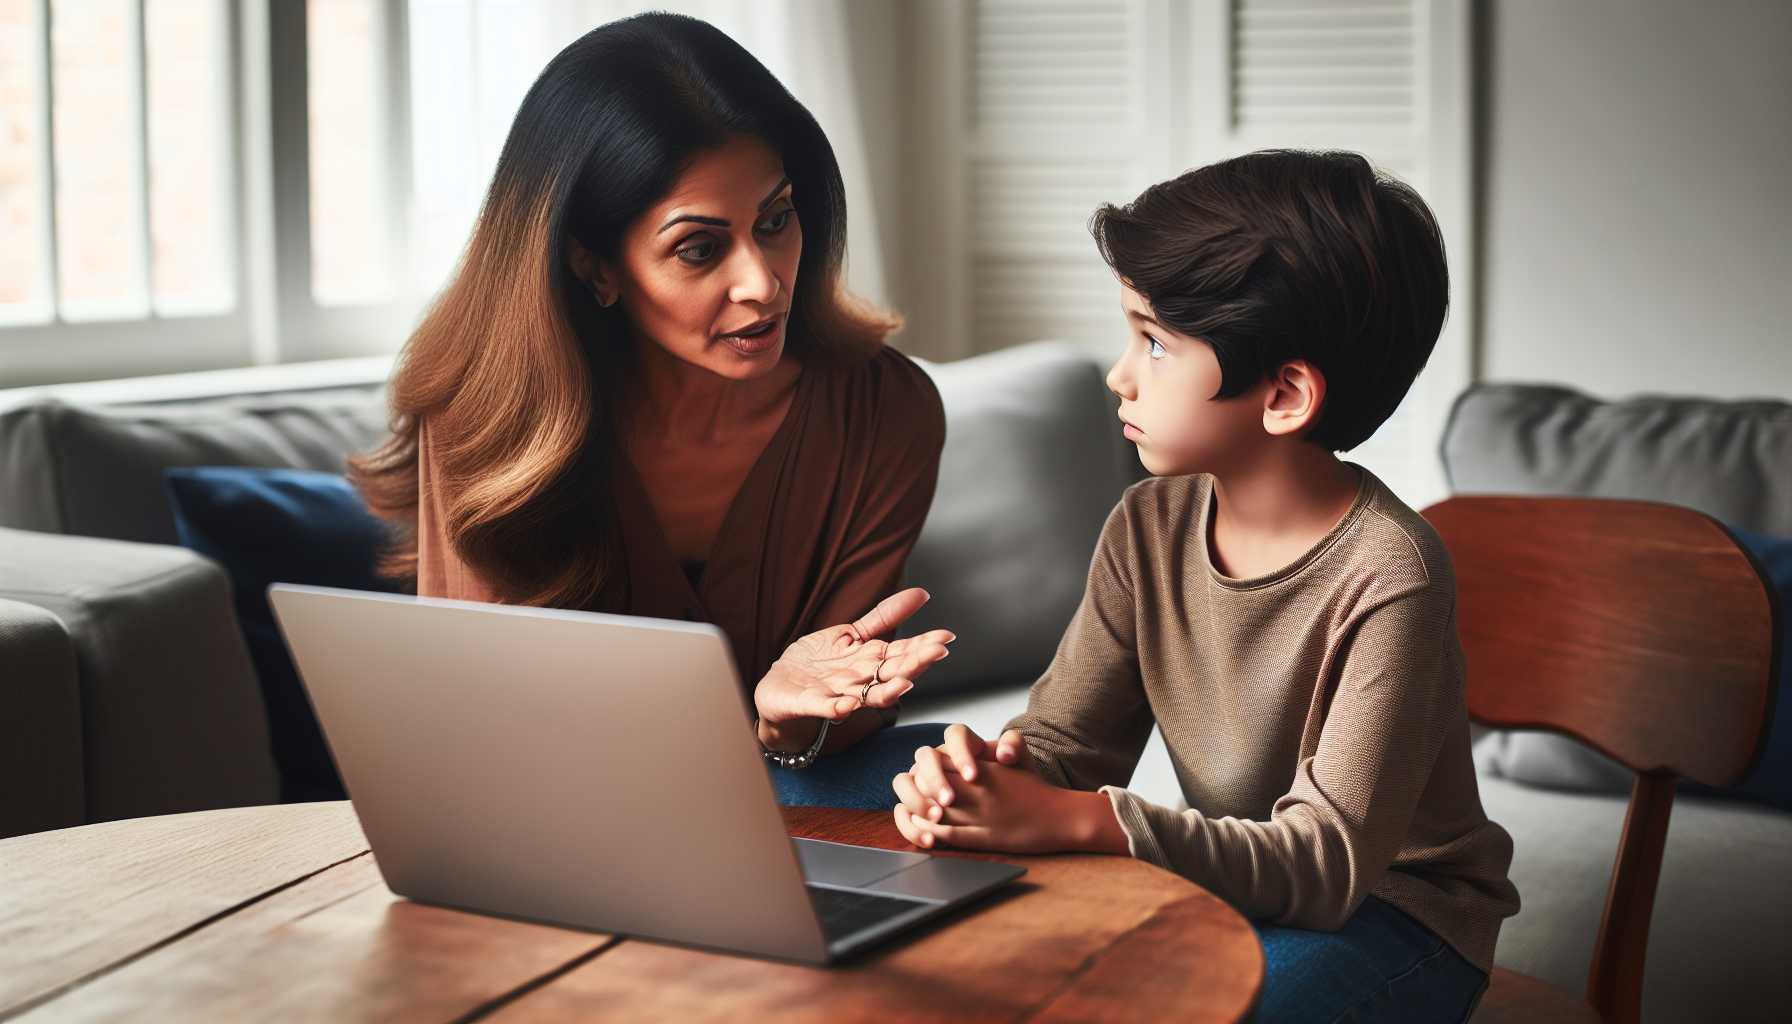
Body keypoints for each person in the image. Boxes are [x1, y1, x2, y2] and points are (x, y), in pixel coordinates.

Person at [891, 150, 1521, 1021]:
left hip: (1398, 920)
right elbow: (1072, 747)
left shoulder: (1393, 574)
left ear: (1286, 394)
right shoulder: (1148, 525)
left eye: (1154, 342)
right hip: (1238, 887)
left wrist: (1081, 823)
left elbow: (1328, 865)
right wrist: (989, 779)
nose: (1119, 374)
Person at [352, 13, 952, 809]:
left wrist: (788, 725)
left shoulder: (886, 410)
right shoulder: (485, 417)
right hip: (560, 818)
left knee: (964, 771)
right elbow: (485, 742)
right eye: (701, 249)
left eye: (775, 221)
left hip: (794, 802)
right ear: (593, 266)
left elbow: (833, 724)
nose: (764, 283)